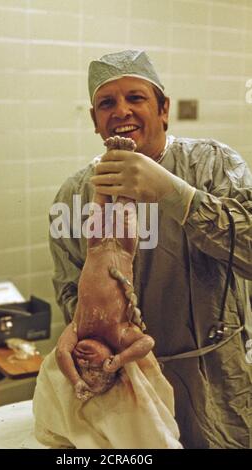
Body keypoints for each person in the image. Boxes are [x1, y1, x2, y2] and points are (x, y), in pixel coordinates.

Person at [47, 50, 252, 449]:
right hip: (127, 385)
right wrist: (89, 342)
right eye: (107, 102)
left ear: (164, 109)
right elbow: (70, 289)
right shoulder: (74, 195)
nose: (121, 110)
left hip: (215, 380)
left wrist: (179, 197)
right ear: (95, 120)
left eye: (136, 98)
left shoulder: (214, 164)